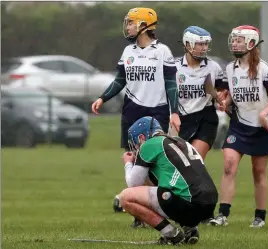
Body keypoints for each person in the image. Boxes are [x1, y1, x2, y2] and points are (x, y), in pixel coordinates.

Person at [91, 7, 181, 227]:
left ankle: (160, 208)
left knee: (154, 165)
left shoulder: (162, 52)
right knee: (133, 162)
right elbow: (120, 80)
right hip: (131, 113)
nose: (128, 26)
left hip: (156, 113)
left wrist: (175, 112)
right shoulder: (128, 52)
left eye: (131, 22)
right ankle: (139, 214)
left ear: (144, 26)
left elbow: (171, 84)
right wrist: (103, 98)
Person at [209, 25, 268, 228]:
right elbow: (232, 94)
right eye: (233, 39)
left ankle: (260, 217)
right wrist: (225, 102)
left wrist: (264, 113)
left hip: (261, 126)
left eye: (239, 40)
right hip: (239, 125)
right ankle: (222, 215)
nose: (234, 43)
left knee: (258, 171)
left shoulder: (263, 68)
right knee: (228, 165)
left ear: (251, 42)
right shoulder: (230, 69)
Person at [118, 116, 218, 245]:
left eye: (136, 143)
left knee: (125, 198)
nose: (136, 147)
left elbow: (133, 184)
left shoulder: (150, 144)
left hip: (188, 202)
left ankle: (171, 234)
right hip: (210, 202)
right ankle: (190, 228)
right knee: (166, 183)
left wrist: (127, 164)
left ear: (142, 138)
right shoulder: (180, 141)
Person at [176, 26, 226, 160]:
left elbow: (222, 91)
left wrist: (221, 98)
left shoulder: (214, 67)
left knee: (194, 160)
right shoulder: (174, 68)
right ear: (188, 44)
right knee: (180, 164)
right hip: (181, 120)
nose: (204, 48)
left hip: (206, 119)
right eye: (200, 44)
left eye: (205, 44)